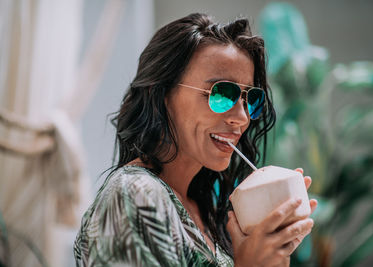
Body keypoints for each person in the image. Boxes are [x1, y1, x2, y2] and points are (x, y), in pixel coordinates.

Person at [74, 13, 317, 266]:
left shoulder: (205, 210)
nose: (242, 117)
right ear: (161, 94)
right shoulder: (134, 194)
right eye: (221, 93)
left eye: (250, 99)